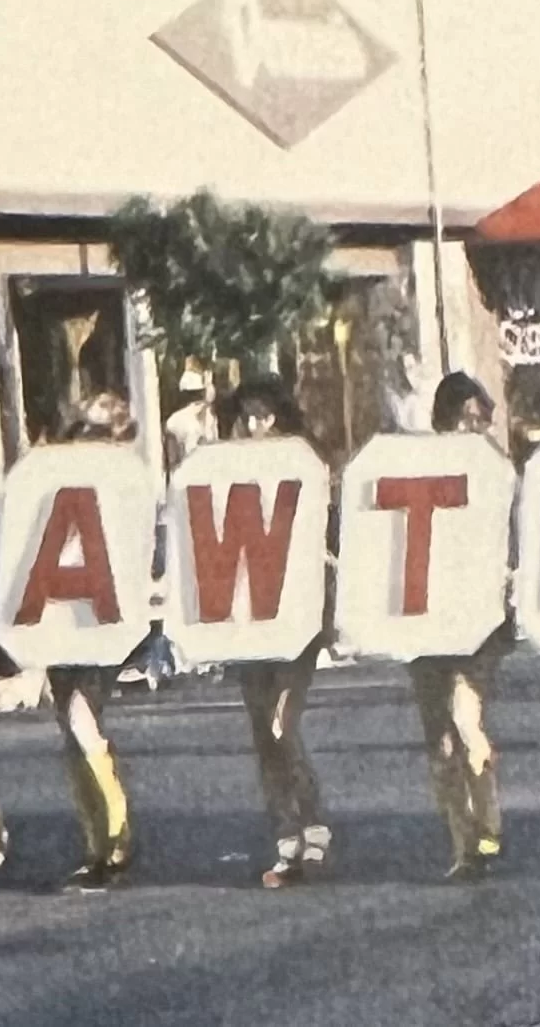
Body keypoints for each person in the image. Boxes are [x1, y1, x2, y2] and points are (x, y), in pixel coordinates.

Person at [223, 379, 334, 888]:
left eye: (264, 415)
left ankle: (313, 823)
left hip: (297, 618)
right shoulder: (222, 474)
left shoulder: (305, 468)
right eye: (246, 416)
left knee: (280, 727)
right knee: (260, 733)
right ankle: (286, 838)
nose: (253, 425)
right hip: (245, 617)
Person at [407, 372, 510, 880]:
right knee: (438, 740)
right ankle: (460, 842)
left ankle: (488, 826)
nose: (470, 427)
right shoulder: (417, 469)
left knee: (465, 721)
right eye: (461, 417)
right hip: (425, 616)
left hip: (477, 619)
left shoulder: (495, 470)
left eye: (477, 418)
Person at [47, 403, 140, 891]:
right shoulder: (49, 491)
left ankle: (117, 841)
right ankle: (96, 847)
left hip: (101, 624)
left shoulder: (126, 491)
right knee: (72, 732)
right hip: (56, 620)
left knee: (82, 724)